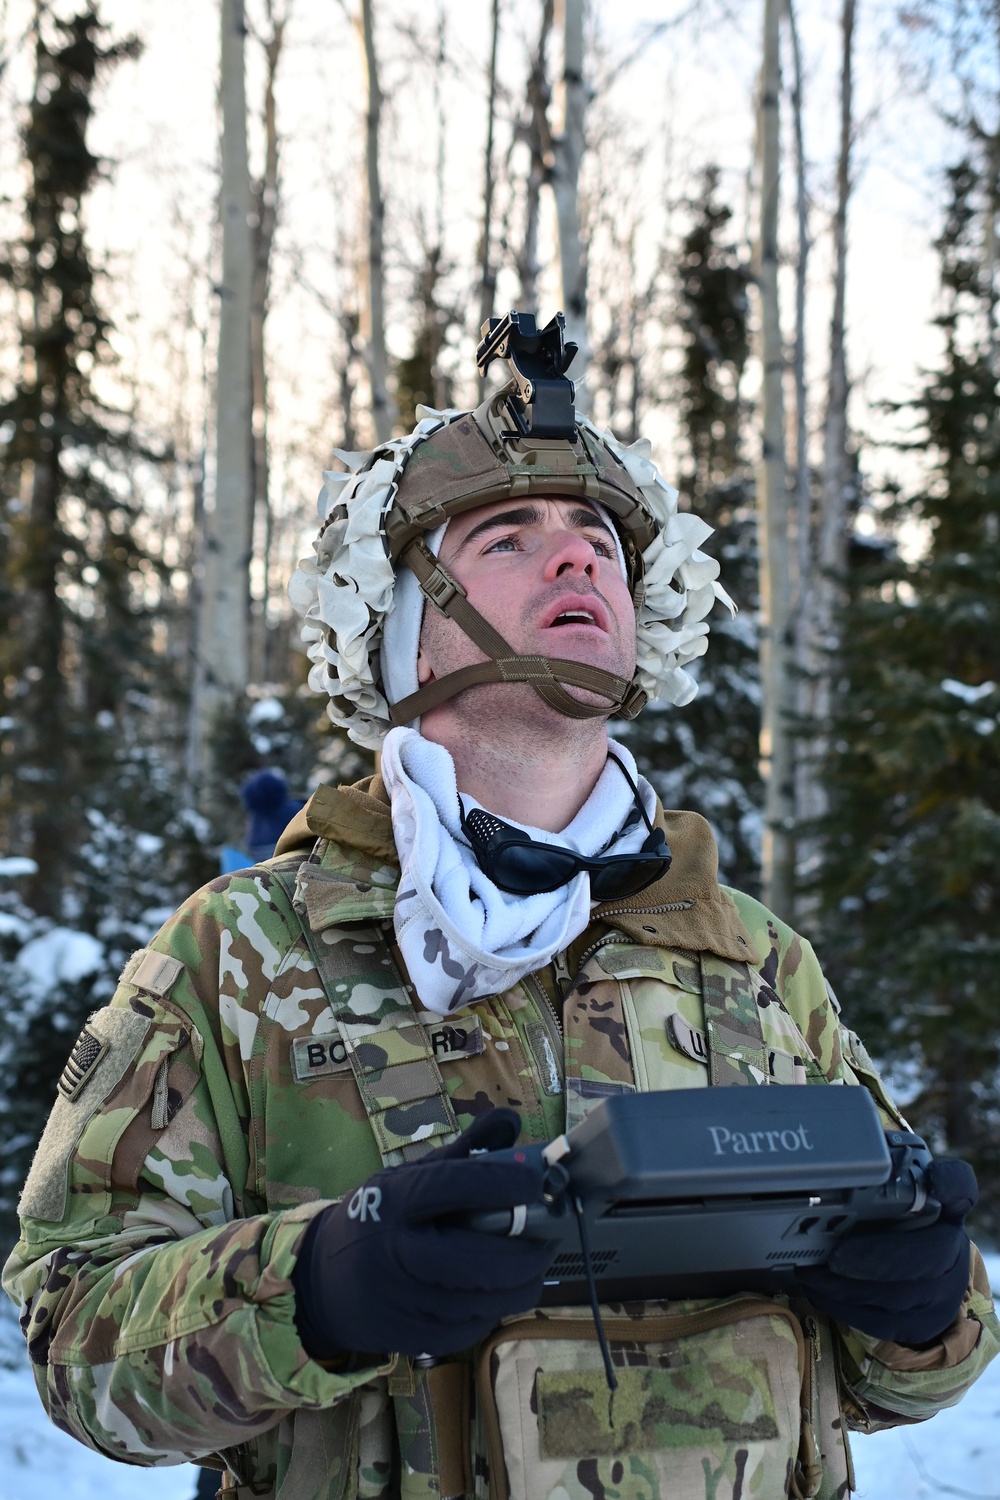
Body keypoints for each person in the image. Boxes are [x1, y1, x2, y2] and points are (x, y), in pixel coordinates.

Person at [4, 311, 998, 1500]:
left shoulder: (754, 961)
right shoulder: (243, 951)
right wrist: (317, 1286)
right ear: (409, 634)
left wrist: (925, 1306)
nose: (578, 558)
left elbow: (912, 1371)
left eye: (598, 539)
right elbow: (72, 1337)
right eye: (509, 537)